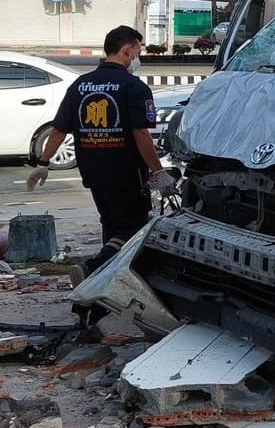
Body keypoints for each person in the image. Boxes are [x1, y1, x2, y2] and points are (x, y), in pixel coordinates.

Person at [27, 26, 177, 281]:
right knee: (131, 228)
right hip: (126, 173)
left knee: (111, 224)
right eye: (138, 51)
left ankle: (106, 284)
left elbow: (59, 129)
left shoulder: (80, 85)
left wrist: (43, 162)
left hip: (93, 172)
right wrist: (158, 171)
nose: (137, 57)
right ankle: (92, 270)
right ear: (127, 49)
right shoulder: (134, 86)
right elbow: (141, 135)